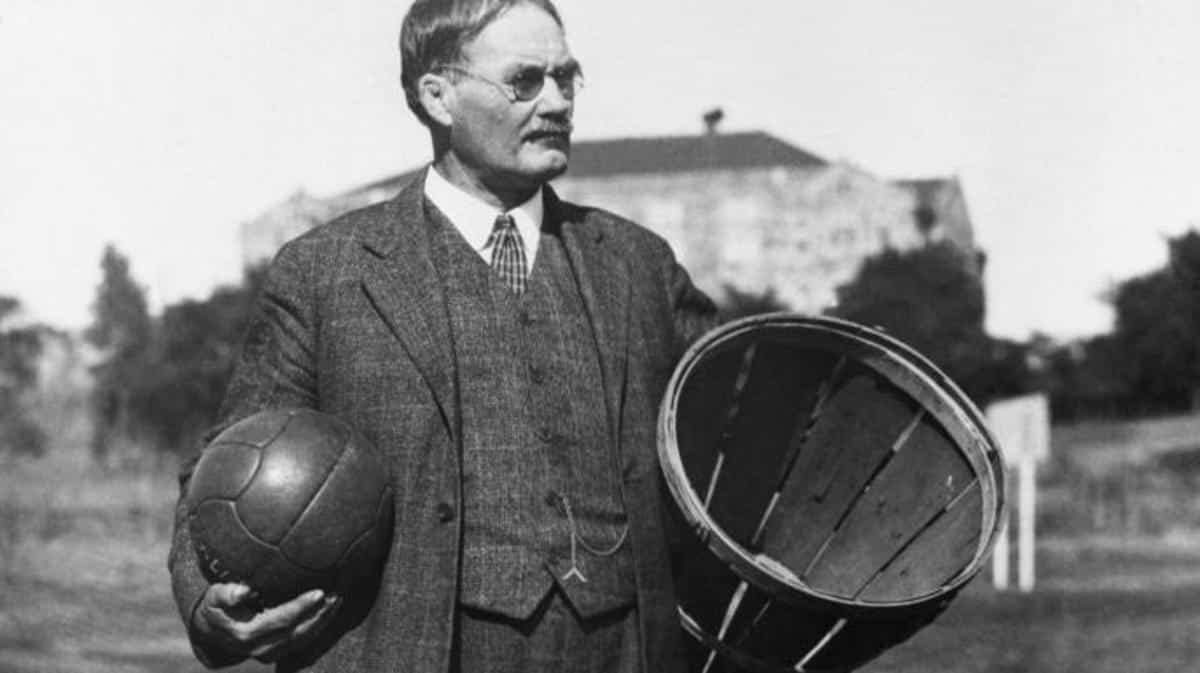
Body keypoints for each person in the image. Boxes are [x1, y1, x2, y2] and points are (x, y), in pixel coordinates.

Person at [168, 0, 718, 671]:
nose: (557, 103)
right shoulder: (325, 271)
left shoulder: (640, 265)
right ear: (438, 96)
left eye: (567, 78)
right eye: (525, 81)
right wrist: (209, 603)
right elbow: (223, 465)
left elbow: (745, 434)